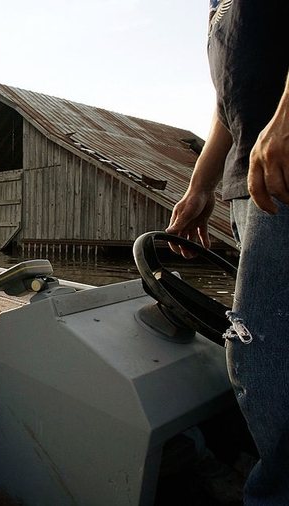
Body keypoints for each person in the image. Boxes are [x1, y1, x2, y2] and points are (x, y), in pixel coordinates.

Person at [166, 1, 289, 503]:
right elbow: (228, 97)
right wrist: (201, 185)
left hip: (283, 169)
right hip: (251, 183)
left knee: (257, 355)